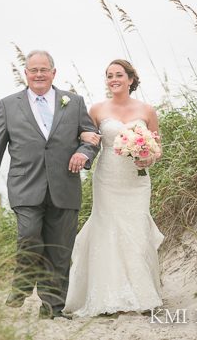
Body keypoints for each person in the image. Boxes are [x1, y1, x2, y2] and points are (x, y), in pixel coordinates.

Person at [0, 50, 99, 320]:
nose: (39, 74)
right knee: (29, 234)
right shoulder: (9, 104)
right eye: (33, 70)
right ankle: (21, 285)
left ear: (54, 73)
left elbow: (91, 137)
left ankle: (52, 308)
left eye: (44, 69)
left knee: (60, 249)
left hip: (64, 186)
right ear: (26, 73)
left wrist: (84, 154)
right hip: (25, 185)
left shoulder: (73, 102)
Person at [63, 59, 164, 317]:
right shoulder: (96, 110)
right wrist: (85, 137)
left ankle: (143, 294)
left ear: (130, 79)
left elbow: (157, 148)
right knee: (107, 230)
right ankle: (108, 294)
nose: (113, 79)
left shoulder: (147, 110)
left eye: (119, 75)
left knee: (136, 230)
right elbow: (86, 137)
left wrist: (148, 158)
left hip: (136, 179)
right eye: (109, 76)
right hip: (107, 177)